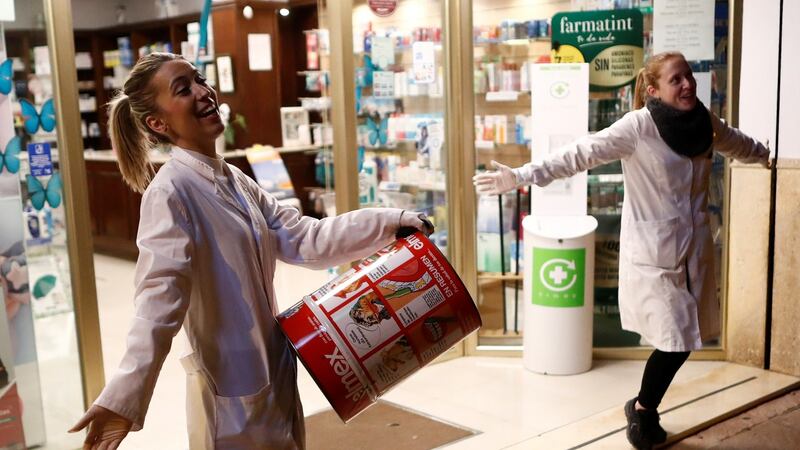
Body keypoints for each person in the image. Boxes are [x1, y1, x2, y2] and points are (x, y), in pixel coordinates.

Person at [69, 53, 432, 450]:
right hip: (232, 395)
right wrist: (125, 396)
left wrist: (389, 222)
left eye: (200, 80)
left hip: (274, 369)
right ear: (158, 123)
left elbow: (304, 238)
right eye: (183, 89)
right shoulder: (171, 192)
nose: (203, 92)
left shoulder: (234, 179)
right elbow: (158, 302)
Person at [473, 51, 770, 450]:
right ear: (653, 90)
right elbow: (580, 153)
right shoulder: (638, 127)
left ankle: (645, 407)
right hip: (655, 254)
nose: (687, 84)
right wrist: (522, 176)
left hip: (694, 250)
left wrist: (766, 155)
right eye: (676, 79)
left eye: (689, 76)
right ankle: (643, 409)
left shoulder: (703, 121)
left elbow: (734, 141)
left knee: (685, 338)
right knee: (677, 339)